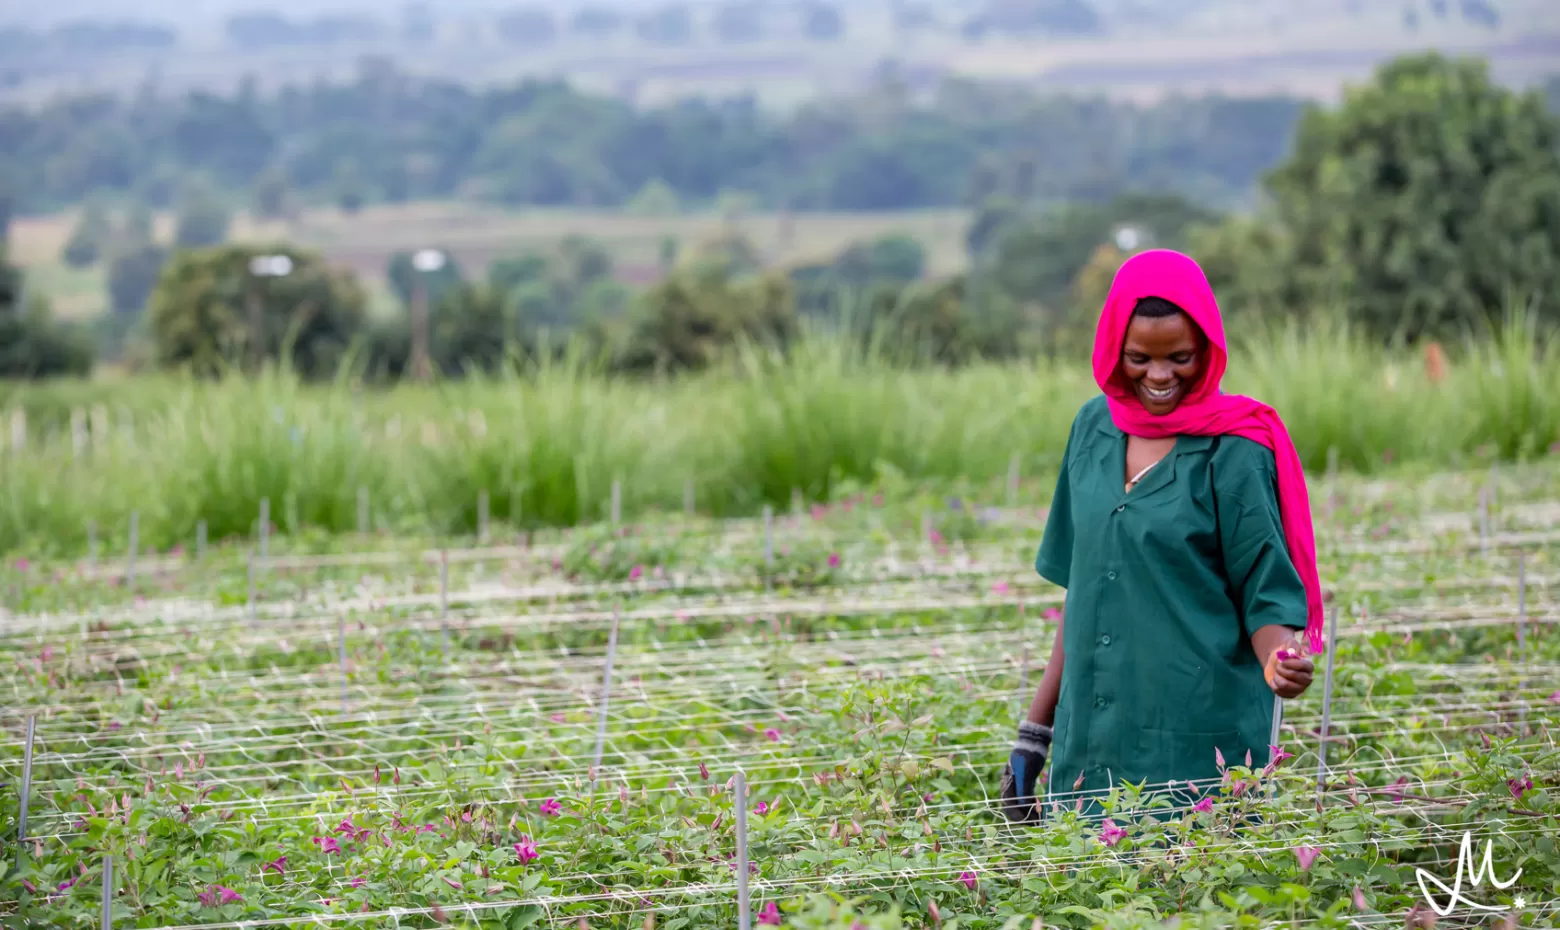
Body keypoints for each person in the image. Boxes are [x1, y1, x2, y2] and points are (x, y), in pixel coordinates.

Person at [998, 249, 1322, 822]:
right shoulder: (1092, 430)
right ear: (1113, 352)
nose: (1159, 375)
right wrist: (1034, 734)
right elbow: (1083, 589)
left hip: (1199, 743)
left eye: (1179, 357)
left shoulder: (1235, 448)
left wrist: (1278, 662)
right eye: (1139, 358)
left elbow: (1263, 591)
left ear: (1207, 350)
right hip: (1090, 747)